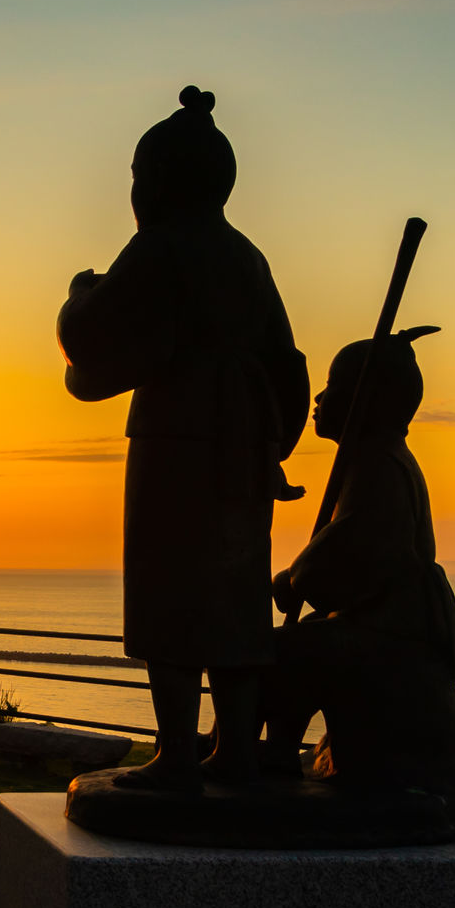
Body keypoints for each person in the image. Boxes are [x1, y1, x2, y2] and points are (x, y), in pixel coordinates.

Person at [58, 86, 307, 791]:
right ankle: (233, 750)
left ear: (159, 180)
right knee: (235, 597)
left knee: (167, 592)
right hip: (243, 451)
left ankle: (177, 753)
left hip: (176, 439)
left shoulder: (159, 246)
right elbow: (287, 362)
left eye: (138, 178)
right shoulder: (246, 257)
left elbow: (87, 333)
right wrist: (275, 444)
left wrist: (78, 293)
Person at [259, 328, 455, 799]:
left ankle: (272, 758)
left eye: (334, 386)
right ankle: (271, 754)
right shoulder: (372, 459)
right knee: (288, 648)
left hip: (392, 633)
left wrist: (295, 579)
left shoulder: (380, 464)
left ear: (368, 399)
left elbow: (357, 544)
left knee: (283, 654)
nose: (319, 397)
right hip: (384, 621)